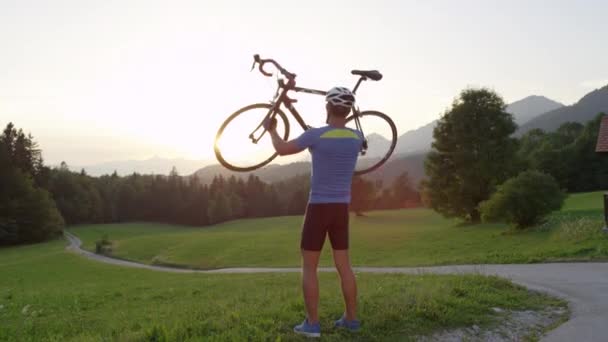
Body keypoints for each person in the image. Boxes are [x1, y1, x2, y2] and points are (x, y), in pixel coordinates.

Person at [263, 86, 363, 338]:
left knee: (309, 267)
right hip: (341, 209)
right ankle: (351, 319)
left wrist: (272, 130)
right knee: (344, 266)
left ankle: (312, 323)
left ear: (327, 108)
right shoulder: (356, 138)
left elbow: (283, 149)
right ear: (348, 110)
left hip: (318, 207)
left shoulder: (315, 136)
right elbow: (359, 142)